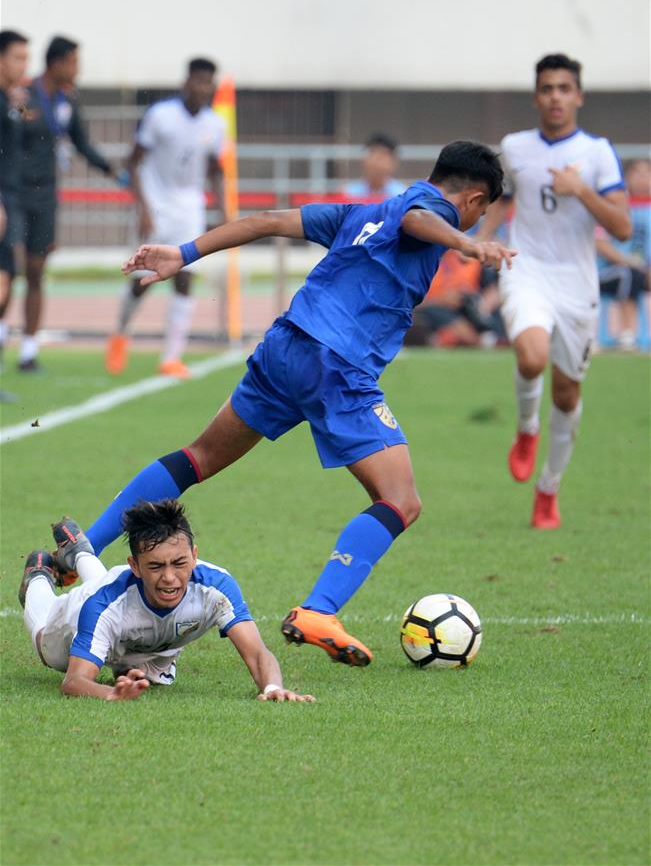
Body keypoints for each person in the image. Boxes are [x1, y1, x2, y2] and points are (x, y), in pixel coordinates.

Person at [82, 140, 514, 669]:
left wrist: (184, 252)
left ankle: (81, 548)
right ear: (473, 200)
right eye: (477, 215)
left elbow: (266, 221)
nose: (470, 223)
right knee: (401, 500)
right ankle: (318, 611)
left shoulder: (361, 213)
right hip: (337, 366)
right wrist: (466, 244)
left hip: (286, 347)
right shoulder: (432, 214)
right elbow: (420, 220)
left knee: (199, 457)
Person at [477, 53, 632, 529]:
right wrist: (483, 238)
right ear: (536, 97)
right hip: (526, 269)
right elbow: (502, 201)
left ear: (578, 96)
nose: (555, 97)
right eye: (547, 89)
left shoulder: (598, 153)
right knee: (531, 357)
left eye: (564, 88)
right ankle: (527, 428)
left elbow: (623, 227)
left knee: (566, 396)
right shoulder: (515, 147)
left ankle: (549, 488)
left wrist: (581, 190)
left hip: (577, 284)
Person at [18, 502, 315, 702]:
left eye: (180, 563)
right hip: (87, 613)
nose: (170, 577)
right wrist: (110, 694)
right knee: (48, 647)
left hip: (144, 643)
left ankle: (79, 551)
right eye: (156, 566)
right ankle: (38, 575)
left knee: (149, 679)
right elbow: (73, 682)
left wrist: (273, 687)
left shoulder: (216, 587)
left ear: (194, 555)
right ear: (135, 566)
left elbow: (258, 653)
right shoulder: (101, 606)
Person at [105, 58, 224, 380]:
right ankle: (120, 333)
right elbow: (132, 162)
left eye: (208, 83)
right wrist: (143, 209)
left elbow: (216, 170)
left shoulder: (215, 124)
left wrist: (224, 210)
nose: (203, 88)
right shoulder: (161, 115)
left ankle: (171, 357)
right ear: (187, 82)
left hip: (189, 210)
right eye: (198, 81)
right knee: (141, 281)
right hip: (156, 207)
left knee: (185, 279)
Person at [16, 35, 116, 372]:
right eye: (74, 62)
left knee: (36, 270)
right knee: (7, 269)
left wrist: (112, 170)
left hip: (46, 196)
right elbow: (10, 132)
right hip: (14, 193)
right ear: (56, 63)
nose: (77, 69)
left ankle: (28, 351)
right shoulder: (24, 95)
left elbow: (81, 143)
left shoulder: (67, 100)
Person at [0, 29, 29, 388]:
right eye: (18, 58)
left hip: (11, 197)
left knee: (8, 277)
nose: (24, 65)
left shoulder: (11, 99)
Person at [597, 159, 651, 350]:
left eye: (647, 174)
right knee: (628, 274)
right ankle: (627, 334)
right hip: (607, 271)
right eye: (637, 173)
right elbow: (599, 241)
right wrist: (633, 262)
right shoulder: (611, 206)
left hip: (643, 270)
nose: (643, 179)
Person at [343, 134, 406, 200]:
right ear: (364, 161)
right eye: (376, 158)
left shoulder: (402, 195)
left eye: (383, 158)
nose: (379, 165)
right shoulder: (348, 194)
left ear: (393, 163)